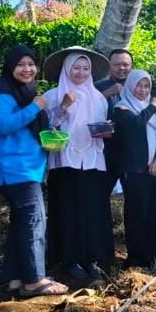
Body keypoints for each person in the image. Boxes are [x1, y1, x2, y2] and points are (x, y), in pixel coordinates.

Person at [0, 46, 68, 298]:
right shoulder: (3, 94)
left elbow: (33, 126)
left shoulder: (27, 93)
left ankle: (14, 277)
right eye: (21, 64)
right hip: (15, 170)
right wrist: (36, 106)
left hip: (28, 168)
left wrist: (58, 112)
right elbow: (2, 126)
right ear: (10, 68)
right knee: (34, 221)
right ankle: (34, 280)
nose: (27, 69)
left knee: (21, 224)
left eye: (31, 64)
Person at [42, 48, 113, 280]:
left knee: (91, 210)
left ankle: (91, 258)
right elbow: (47, 128)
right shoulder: (53, 95)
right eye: (76, 67)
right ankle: (68, 260)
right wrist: (62, 107)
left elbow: (100, 124)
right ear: (66, 68)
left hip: (92, 160)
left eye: (85, 68)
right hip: (64, 161)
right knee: (67, 211)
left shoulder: (98, 97)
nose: (81, 72)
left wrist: (104, 131)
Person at [112, 70, 156, 267]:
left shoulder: (149, 110)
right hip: (134, 169)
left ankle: (155, 253)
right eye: (139, 85)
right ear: (129, 85)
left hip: (154, 169)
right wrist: (153, 106)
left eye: (147, 86)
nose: (143, 90)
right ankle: (137, 257)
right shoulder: (121, 109)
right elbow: (136, 125)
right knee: (137, 213)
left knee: (155, 212)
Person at [96, 48, 134, 195]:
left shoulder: (141, 87)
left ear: (132, 66)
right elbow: (86, 111)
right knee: (100, 196)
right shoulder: (98, 88)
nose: (122, 68)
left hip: (133, 153)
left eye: (125, 64)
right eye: (117, 64)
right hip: (106, 152)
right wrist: (107, 93)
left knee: (135, 199)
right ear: (109, 66)